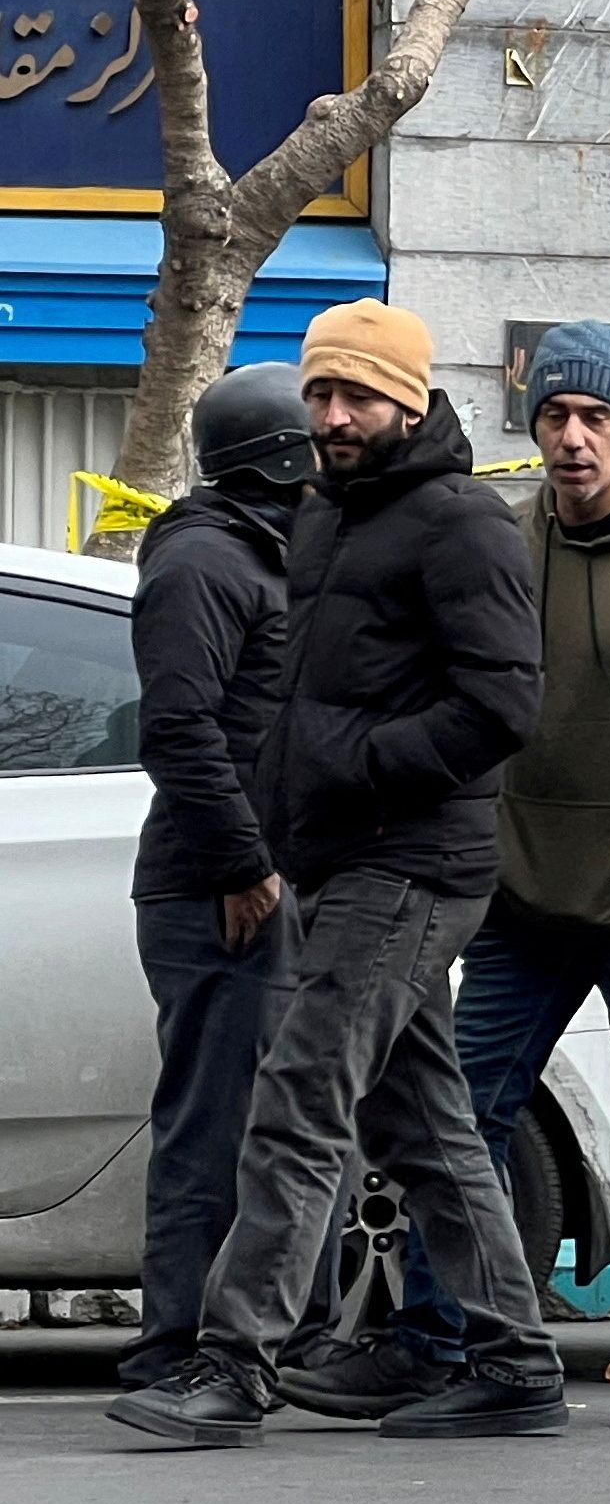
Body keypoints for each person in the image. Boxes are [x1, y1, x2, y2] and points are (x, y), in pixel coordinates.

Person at [110, 303, 564, 1447]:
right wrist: (282, 820)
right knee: (425, 1129)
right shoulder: (322, 519)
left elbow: (504, 704)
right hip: (342, 861)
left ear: (411, 401)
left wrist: (357, 768)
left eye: (359, 396)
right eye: (320, 395)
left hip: (414, 864)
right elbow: (289, 706)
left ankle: (233, 1365)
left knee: (300, 1101)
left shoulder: (462, 522)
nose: (335, 415)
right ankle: (515, 1360)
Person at [331, 324, 610, 1431]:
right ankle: (440, 1342)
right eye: (557, 419)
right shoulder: (510, 542)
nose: (574, 441)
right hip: (522, 897)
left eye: (597, 420)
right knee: (457, 1117)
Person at [118, 364, 313, 1389]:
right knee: (211, 1122)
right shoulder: (206, 563)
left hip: (259, 875)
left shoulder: (260, 551)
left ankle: (256, 1339)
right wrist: (245, 866)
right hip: (219, 888)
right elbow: (182, 730)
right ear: (279, 460)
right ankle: (176, 1349)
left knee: (262, 1122)